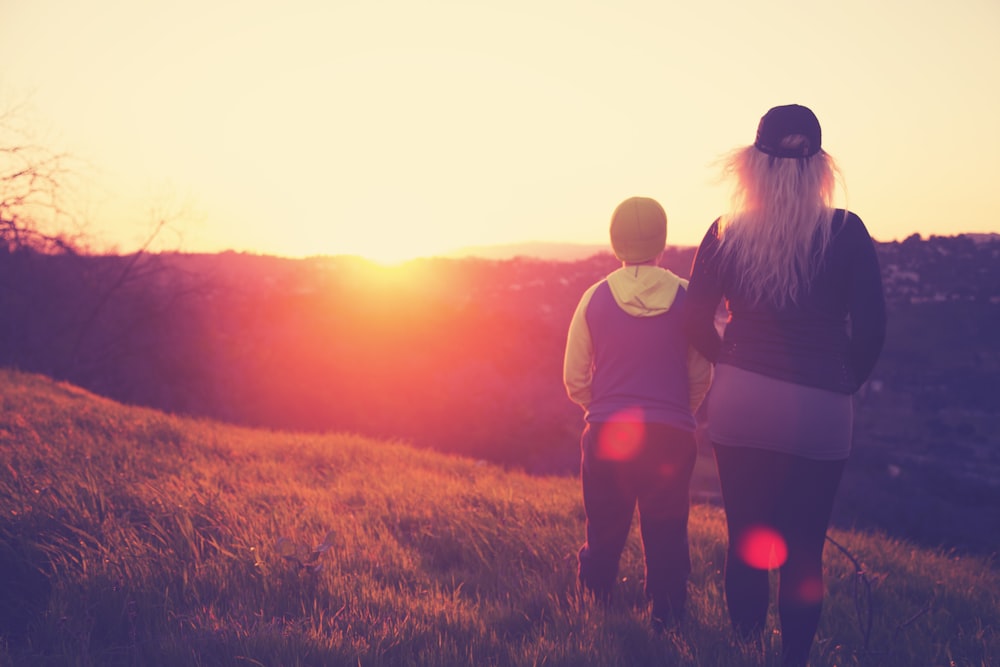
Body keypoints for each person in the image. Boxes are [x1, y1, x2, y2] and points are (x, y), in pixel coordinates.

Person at [683, 104, 886, 666]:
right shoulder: (846, 231)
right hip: (823, 404)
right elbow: (871, 331)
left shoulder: (726, 231)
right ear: (820, 166)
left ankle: (746, 655)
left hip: (741, 399)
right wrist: (839, 383)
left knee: (746, 539)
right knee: (804, 552)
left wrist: (734, 363)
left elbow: (694, 320)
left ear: (752, 164)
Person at [563, 196, 712, 629]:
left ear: (614, 243)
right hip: (671, 433)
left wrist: (603, 409)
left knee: (604, 526)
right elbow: (701, 374)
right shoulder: (688, 298)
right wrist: (680, 414)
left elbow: (574, 378)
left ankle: (594, 609)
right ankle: (667, 617)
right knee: (666, 527)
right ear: (662, 242)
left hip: (608, 432)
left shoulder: (593, 298)